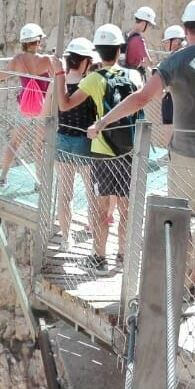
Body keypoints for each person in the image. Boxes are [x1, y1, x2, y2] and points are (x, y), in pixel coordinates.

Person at [88, 0, 195, 299]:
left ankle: (180, 281)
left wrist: (104, 122)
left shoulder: (175, 61)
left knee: (180, 216)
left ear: (186, 30)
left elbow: (141, 99)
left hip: (187, 153)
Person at [53, 24, 143, 274]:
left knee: (101, 207)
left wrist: (60, 74)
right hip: (128, 151)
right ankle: (123, 255)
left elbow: (65, 104)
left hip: (102, 150)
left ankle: (99, 257)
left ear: (98, 52)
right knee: (125, 207)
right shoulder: (134, 77)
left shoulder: (93, 79)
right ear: (119, 49)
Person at [0, 23, 56, 187]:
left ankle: (3, 177)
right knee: (39, 147)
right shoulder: (46, 60)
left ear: (23, 43)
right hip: (43, 109)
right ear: (37, 42)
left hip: (25, 108)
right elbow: (58, 79)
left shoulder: (18, 60)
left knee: (15, 143)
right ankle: (39, 182)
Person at [53, 38, 98, 251]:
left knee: (65, 192)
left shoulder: (59, 82)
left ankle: (65, 238)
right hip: (83, 141)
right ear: (85, 61)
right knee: (92, 192)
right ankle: (95, 237)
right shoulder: (88, 84)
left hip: (62, 139)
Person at [158, 25, 186, 146]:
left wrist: (166, 90)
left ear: (175, 41)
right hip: (183, 103)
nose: (165, 45)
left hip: (172, 101)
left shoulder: (174, 59)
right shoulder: (187, 56)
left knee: (169, 138)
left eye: (166, 41)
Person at [123, 6, 156, 74]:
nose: (149, 27)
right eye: (149, 24)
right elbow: (149, 62)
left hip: (125, 71)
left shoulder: (128, 35)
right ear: (144, 23)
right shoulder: (139, 40)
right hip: (132, 75)